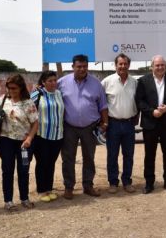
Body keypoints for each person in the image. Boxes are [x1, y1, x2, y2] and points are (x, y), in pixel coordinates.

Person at [57, 54, 108, 199]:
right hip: (69, 126)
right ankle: (68, 187)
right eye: (79, 66)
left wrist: (105, 123)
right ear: (73, 67)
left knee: (89, 157)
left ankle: (88, 185)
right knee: (68, 157)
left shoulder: (96, 83)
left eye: (85, 66)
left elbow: (103, 105)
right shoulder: (62, 82)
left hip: (90, 127)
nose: (82, 69)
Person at [135, 55, 166, 194]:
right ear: (152, 67)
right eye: (157, 65)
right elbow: (139, 100)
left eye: (162, 65)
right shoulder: (143, 81)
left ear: (165, 66)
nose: (160, 67)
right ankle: (149, 183)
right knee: (149, 154)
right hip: (150, 123)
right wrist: (152, 111)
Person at [0, 74, 38, 210]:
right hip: (5, 141)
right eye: (9, 88)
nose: (11, 91)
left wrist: (29, 139)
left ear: (21, 88)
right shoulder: (3, 99)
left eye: (14, 88)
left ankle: (24, 198)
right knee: (7, 171)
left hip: (23, 143)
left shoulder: (28, 102)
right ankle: (8, 201)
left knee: (23, 170)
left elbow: (35, 123)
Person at [101, 53, 138, 194]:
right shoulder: (106, 82)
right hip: (113, 124)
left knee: (129, 155)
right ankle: (113, 183)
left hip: (129, 124)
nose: (122, 66)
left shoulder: (134, 82)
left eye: (125, 64)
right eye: (120, 64)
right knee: (112, 155)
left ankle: (127, 182)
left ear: (129, 65)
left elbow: (138, 102)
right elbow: (100, 103)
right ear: (115, 65)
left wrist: (136, 117)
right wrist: (103, 122)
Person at [30, 70, 64, 203]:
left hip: (57, 135)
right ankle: (42, 190)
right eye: (49, 81)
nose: (53, 83)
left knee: (51, 163)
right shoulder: (37, 94)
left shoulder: (59, 94)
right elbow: (28, 109)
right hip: (41, 135)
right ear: (43, 82)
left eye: (55, 80)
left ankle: (49, 188)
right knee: (42, 163)